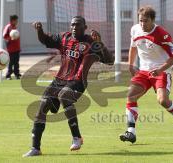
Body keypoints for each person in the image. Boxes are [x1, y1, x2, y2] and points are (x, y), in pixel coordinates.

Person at [23, 16, 114, 157]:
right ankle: (35, 148)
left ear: (84, 27)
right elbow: (45, 40)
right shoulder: (64, 38)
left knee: (64, 95)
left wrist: (100, 43)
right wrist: (39, 30)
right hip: (59, 80)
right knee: (42, 107)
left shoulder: (90, 42)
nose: (74, 27)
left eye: (77, 25)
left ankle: (76, 137)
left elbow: (110, 61)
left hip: (78, 81)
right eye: (72, 25)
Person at [119, 6, 173, 144]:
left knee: (163, 100)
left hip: (162, 71)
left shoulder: (162, 34)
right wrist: (130, 65)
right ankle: (131, 132)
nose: (142, 24)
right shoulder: (135, 29)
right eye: (140, 20)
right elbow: (133, 47)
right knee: (131, 95)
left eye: (145, 21)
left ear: (153, 20)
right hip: (144, 71)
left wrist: (160, 69)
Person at [3, 15, 21, 80]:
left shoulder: (15, 27)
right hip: (11, 49)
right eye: (16, 20)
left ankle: (17, 74)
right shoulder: (8, 27)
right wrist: (11, 39)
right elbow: (4, 36)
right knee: (10, 62)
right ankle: (8, 75)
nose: (17, 22)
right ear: (12, 20)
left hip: (17, 48)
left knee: (16, 62)